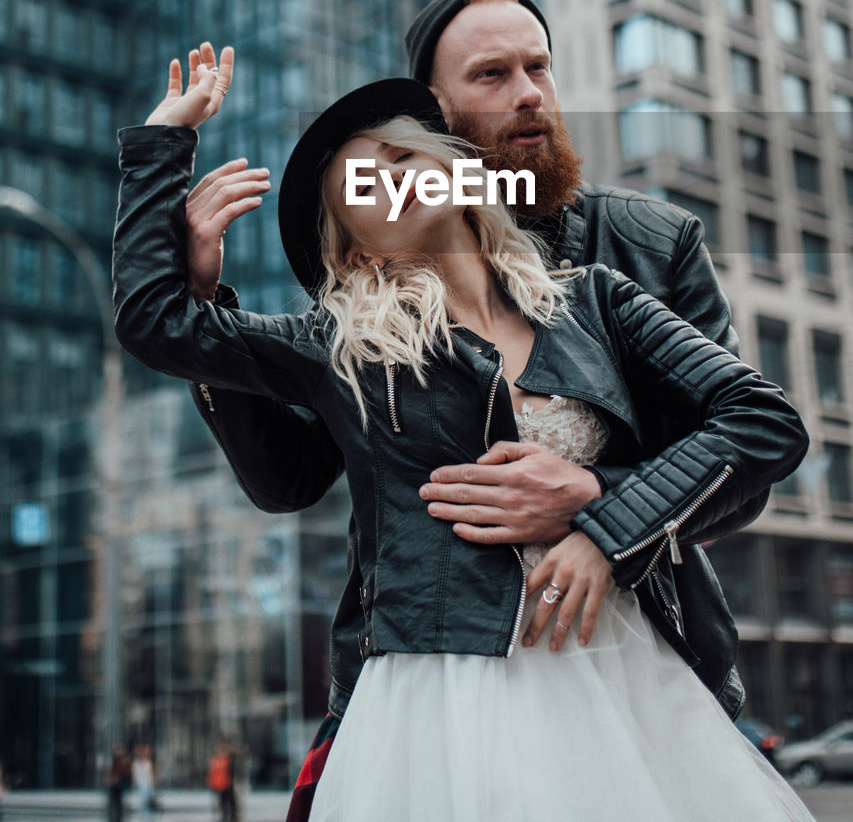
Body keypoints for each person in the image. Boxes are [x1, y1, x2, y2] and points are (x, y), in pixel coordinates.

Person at [113, 52, 811, 821]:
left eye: (404, 153)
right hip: (439, 688)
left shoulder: (600, 302)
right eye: (362, 183)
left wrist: (607, 529)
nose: (392, 175)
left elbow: (762, 418)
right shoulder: (338, 341)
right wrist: (161, 142)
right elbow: (155, 322)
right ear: (356, 243)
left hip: (624, 666)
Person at [206, 741, 238, 822]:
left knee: (228, 801)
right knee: (224, 802)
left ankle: (230, 816)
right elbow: (212, 772)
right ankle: (227, 816)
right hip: (222, 784)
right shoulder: (220, 760)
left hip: (225, 784)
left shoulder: (224, 759)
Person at [105, 745, 132, 822]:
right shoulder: (113, 761)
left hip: (122, 783)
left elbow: (127, 773)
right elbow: (108, 773)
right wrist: (111, 779)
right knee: (114, 797)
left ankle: (117, 816)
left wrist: (117, 778)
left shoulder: (126, 760)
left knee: (117, 799)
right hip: (115, 784)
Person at [131, 744, 157, 817]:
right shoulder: (136, 763)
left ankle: (148, 815)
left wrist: (153, 783)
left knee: (148, 801)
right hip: (140, 784)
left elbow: (152, 774)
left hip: (149, 784)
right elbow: (135, 775)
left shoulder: (150, 762)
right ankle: (144, 815)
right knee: (143, 802)